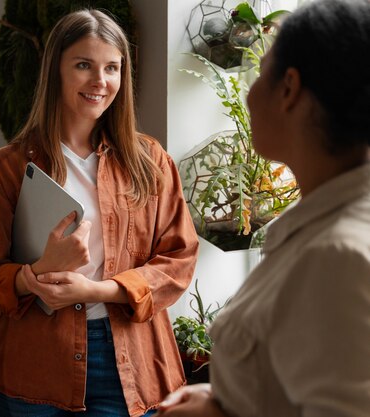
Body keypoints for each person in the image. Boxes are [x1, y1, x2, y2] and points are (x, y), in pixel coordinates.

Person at [0, 9, 199, 417]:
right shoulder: (6, 169)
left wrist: (98, 291)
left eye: (112, 68)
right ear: (55, 70)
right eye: (83, 65)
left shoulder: (151, 161)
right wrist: (33, 274)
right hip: (32, 370)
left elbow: (178, 262)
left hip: (129, 363)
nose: (100, 81)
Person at [156, 0, 370, 416]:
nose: (249, 92)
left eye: (260, 69)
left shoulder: (337, 255)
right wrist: (227, 400)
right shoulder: (317, 228)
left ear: (289, 89)